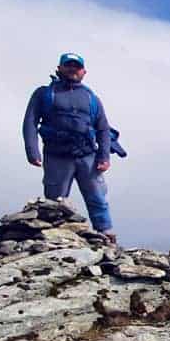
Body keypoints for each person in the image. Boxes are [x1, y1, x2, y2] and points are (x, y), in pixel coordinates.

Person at [22, 52, 117, 245]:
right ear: (59, 68)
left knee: (97, 197)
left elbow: (103, 128)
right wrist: (32, 151)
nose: (72, 69)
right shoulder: (44, 94)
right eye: (68, 65)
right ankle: (55, 237)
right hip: (57, 155)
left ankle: (106, 234)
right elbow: (30, 122)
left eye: (76, 66)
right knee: (55, 202)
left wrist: (104, 156)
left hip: (87, 155)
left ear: (84, 71)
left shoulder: (91, 98)